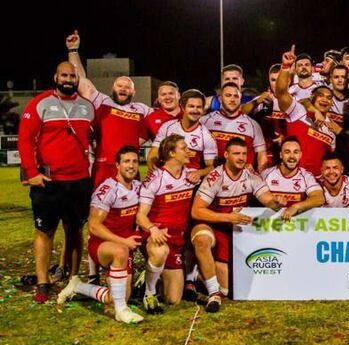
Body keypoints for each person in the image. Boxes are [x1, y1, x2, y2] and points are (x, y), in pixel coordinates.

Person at [18, 60, 95, 303]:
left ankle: (73, 278)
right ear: (55, 77)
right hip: (49, 182)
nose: (68, 80)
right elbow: (25, 139)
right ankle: (43, 281)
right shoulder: (40, 103)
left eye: (72, 76)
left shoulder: (87, 107)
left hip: (79, 181)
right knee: (44, 231)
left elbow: (98, 138)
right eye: (64, 75)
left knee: (75, 231)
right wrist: (31, 171)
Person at [190, 137, 280, 312]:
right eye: (236, 154)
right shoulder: (215, 177)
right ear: (226, 155)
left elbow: (267, 199)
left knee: (229, 289)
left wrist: (276, 202)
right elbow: (197, 211)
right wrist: (227, 218)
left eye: (244, 154)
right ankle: (213, 294)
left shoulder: (251, 176)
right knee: (202, 240)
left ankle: (198, 273)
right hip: (210, 223)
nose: (241, 158)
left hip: (231, 229)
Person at [56, 145, 143, 323]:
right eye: (126, 161)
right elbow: (94, 226)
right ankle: (121, 312)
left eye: (134, 161)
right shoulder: (108, 189)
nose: (131, 165)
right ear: (117, 165)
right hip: (102, 245)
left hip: (125, 246)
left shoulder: (139, 188)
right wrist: (123, 241)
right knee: (120, 252)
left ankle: (78, 286)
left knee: (116, 296)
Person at [66, 30, 150, 188]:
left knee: (129, 210)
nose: (123, 89)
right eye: (120, 85)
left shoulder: (142, 109)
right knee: (100, 209)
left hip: (131, 169)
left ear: (134, 92)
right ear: (113, 87)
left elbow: (163, 121)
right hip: (104, 168)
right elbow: (80, 80)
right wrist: (73, 50)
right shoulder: (102, 101)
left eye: (127, 87)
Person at [136, 135, 195, 311]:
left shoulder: (191, 175)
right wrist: (153, 229)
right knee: (160, 250)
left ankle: (151, 273)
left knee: (173, 299)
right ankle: (149, 293)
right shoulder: (155, 178)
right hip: (157, 236)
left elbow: (211, 170)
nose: (188, 151)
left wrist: (201, 172)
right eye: (183, 148)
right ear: (171, 153)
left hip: (178, 241)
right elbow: (141, 215)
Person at [275, 47, 341, 176]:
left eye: (328, 97)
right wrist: (285, 67)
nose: (324, 100)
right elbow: (281, 93)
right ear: (312, 98)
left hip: (318, 182)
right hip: (294, 177)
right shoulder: (298, 111)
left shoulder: (331, 130)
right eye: (320, 96)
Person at [148, 90, 217, 180]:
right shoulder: (168, 127)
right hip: (165, 180)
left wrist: (199, 173)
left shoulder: (207, 136)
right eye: (191, 106)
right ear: (183, 108)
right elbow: (154, 152)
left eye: (199, 107)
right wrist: (152, 163)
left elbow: (211, 167)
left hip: (189, 184)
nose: (195, 110)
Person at [201, 83, 269, 171]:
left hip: (243, 181)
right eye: (228, 96)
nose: (232, 99)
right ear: (220, 99)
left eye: (236, 96)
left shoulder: (253, 125)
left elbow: (262, 157)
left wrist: (260, 179)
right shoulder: (205, 121)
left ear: (240, 99)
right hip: (213, 178)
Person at [258, 138, 324, 214]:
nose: (292, 156)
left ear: (300, 155)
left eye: (295, 152)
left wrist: (296, 207)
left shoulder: (306, 176)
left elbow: (319, 198)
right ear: (281, 155)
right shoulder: (267, 174)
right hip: (271, 222)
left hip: (298, 223)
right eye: (287, 152)